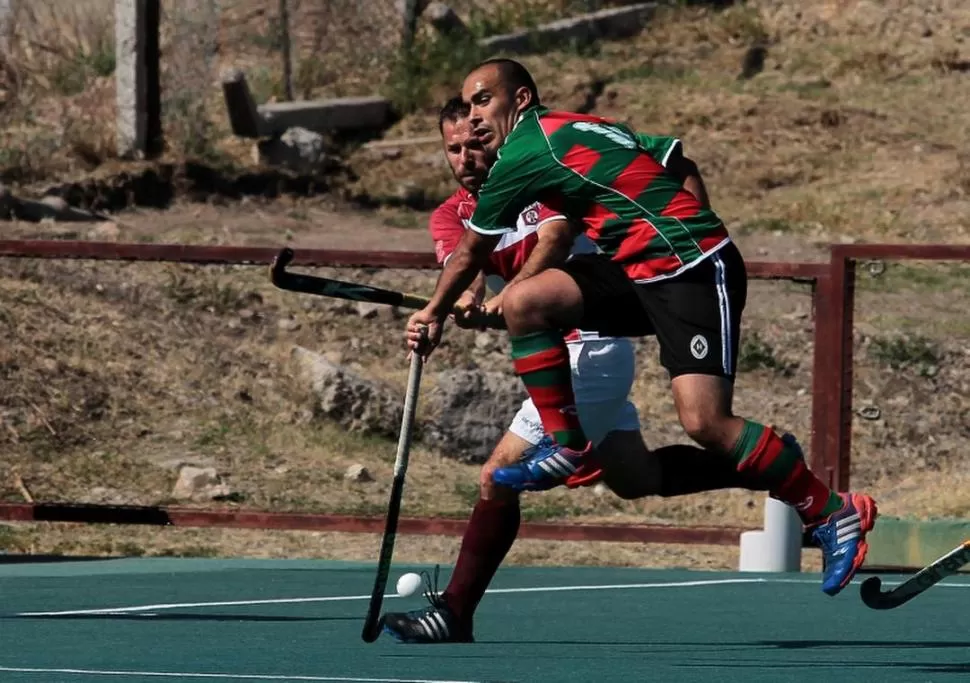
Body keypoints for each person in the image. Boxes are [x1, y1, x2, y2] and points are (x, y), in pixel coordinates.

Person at [404, 59, 877, 599]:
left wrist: (432, 313)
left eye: (483, 101)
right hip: (635, 271)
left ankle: (831, 511)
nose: (474, 118)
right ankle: (574, 447)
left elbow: (479, 252)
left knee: (704, 422)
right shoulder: (574, 126)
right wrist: (463, 303)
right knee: (535, 311)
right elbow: (674, 155)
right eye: (466, 109)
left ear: (522, 98)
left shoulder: (526, 154)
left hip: (691, 268)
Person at [381, 97, 763, 643]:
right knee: (636, 479)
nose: (466, 157)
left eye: (475, 143)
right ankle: (766, 464)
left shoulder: (538, 178)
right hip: (562, 361)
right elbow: (463, 270)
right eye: (454, 148)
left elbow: (556, 241)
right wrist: (445, 313)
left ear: (495, 137)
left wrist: (509, 295)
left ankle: (455, 613)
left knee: (495, 477)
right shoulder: (450, 215)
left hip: (591, 348)